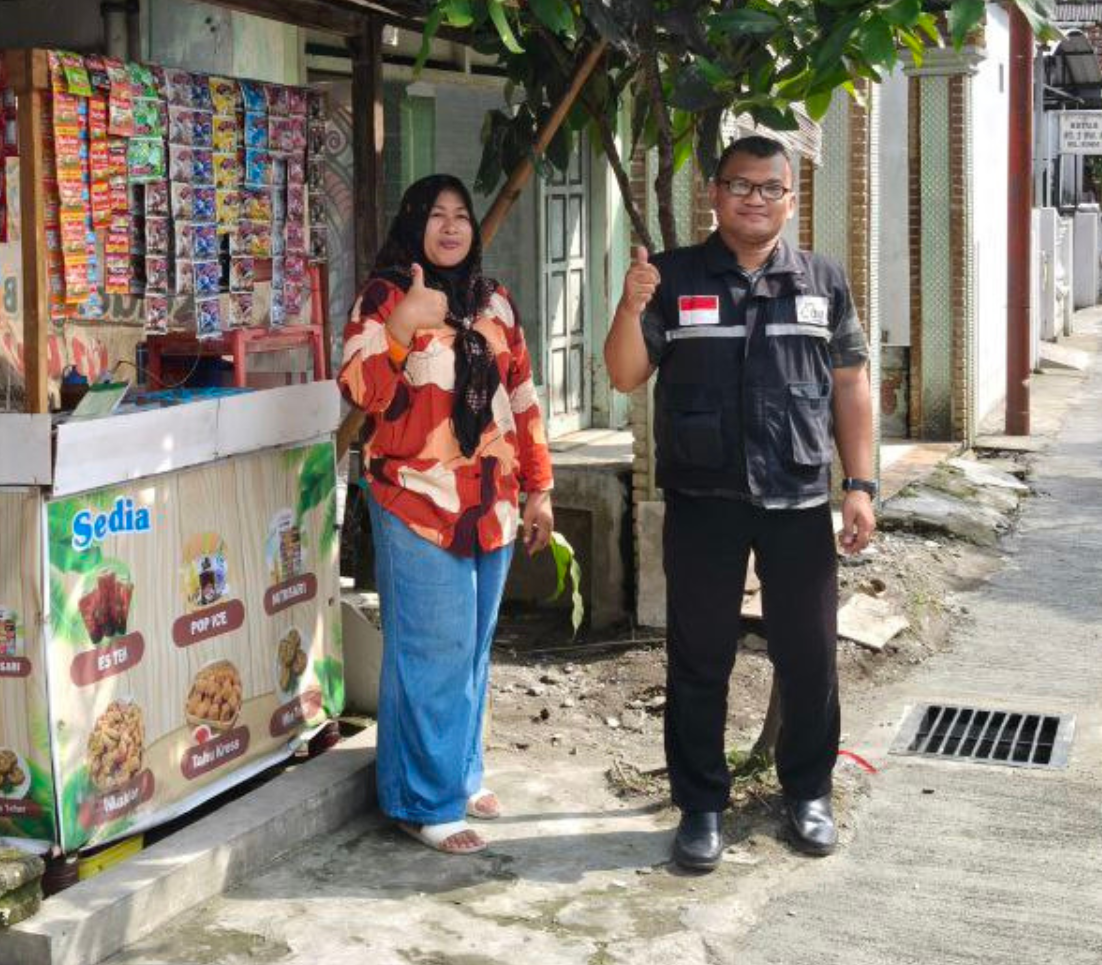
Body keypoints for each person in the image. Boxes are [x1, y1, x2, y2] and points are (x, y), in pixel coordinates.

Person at [602, 135, 875, 874]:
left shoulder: (822, 280)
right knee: (699, 657)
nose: (756, 198)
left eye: (771, 188)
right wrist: (630, 307)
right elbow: (626, 373)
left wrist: (860, 485)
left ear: (792, 198)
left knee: (810, 653)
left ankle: (808, 792)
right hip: (703, 499)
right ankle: (701, 806)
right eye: (741, 185)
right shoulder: (675, 276)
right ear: (714, 194)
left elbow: (851, 382)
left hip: (796, 497)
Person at [338, 174, 555, 855]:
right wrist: (403, 324)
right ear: (414, 223)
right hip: (414, 496)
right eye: (438, 215)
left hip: (490, 500)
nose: (453, 226)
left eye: (463, 214)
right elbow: (360, 389)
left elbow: (521, 395)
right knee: (431, 649)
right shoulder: (384, 294)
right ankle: (421, 801)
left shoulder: (494, 300)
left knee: (471, 649)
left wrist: (540, 487)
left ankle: (459, 772)